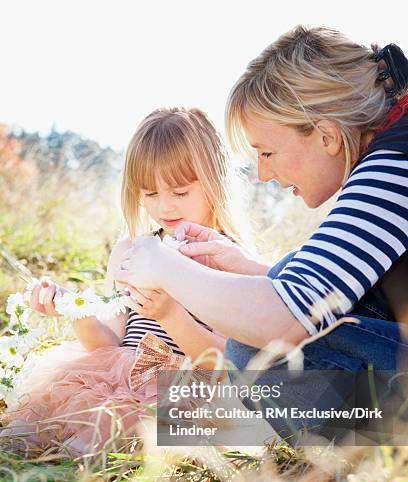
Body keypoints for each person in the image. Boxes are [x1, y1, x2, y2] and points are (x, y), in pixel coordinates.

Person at [114, 26, 408, 446]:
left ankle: (200, 431)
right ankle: (195, 429)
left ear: (326, 135)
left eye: (267, 152)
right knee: (281, 280)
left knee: (257, 352)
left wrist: (160, 264)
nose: (264, 174)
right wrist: (249, 268)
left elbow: (284, 321)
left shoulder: (393, 168)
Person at [0, 107, 245, 455]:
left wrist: (171, 317)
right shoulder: (131, 251)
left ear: (214, 182)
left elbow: (226, 363)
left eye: (179, 192)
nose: (164, 207)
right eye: (150, 193)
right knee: (29, 430)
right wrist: (76, 311)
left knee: (92, 441)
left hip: (184, 389)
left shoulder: (228, 260)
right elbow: (108, 346)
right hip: (118, 375)